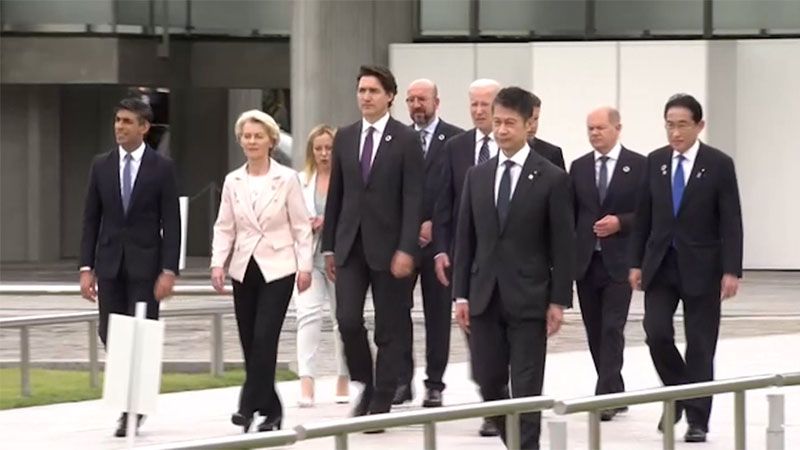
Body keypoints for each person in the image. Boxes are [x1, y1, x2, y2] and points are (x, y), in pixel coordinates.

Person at [452, 87, 574, 450]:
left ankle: (527, 446)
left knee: (526, 384)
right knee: (488, 380)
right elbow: (465, 240)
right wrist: (460, 294)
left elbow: (562, 245)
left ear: (528, 124)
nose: (501, 130)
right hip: (484, 296)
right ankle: (516, 441)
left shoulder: (552, 177)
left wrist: (558, 301)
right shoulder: (478, 176)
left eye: (510, 123)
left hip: (530, 297)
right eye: (497, 122)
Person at [629, 94, 743, 443]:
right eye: (669, 125)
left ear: (699, 126)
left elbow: (731, 220)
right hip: (661, 265)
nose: (675, 133)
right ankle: (679, 392)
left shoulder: (718, 164)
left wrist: (731, 269)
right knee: (656, 331)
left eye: (682, 125)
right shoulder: (655, 162)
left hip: (703, 267)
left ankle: (697, 419)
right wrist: (635, 263)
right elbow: (643, 217)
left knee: (700, 345)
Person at [322, 65, 424, 421]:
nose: (365, 97)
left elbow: (414, 198)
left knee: (389, 326)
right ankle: (366, 381)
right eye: (362, 90)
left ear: (390, 97)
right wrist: (330, 246)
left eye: (373, 91)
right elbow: (337, 194)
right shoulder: (346, 137)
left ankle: (382, 396)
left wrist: (407, 248)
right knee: (347, 319)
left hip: (391, 248)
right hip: (351, 245)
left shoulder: (407, 139)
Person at [79, 97, 180, 438]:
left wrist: (169, 270)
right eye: (117, 120)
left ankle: (132, 410)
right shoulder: (101, 165)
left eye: (126, 121)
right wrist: (85, 267)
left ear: (143, 127)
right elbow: (91, 219)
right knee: (110, 332)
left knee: (141, 336)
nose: (119, 127)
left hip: (146, 268)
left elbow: (173, 222)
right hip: (109, 265)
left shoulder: (161, 168)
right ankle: (129, 397)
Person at [210, 109, 313, 433]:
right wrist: (217, 262)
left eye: (258, 136)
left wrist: (305, 266)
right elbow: (224, 227)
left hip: (278, 268)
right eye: (247, 136)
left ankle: (246, 406)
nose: (252, 141)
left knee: (265, 338)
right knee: (249, 342)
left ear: (271, 140)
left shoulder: (287, 178)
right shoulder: (232, 180)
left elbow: (301, 227)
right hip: (244, 269)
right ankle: (272, 410)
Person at [432, 78, 502, 437]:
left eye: (485, 104)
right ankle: (492, 400)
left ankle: (503, 399)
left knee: (501, 335)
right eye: (473, 104)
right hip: (467, 259)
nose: (478, 111)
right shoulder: (456, 147)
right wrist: (442, 249)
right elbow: (444, 204)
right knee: (476, 334)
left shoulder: (515, 146)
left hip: (507, 260)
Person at [570, 107, 645, 421]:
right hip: (587, 262)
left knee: (612, 328)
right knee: (594, 331)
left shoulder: (639, 166)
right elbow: (571, 213)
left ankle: (605, 397)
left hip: (620, 262)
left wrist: (621, 223)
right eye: (590, 128)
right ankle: (615, 388)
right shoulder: (579, 167)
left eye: (600, 128)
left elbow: (648, 213)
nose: (594, 133)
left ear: (617, 128)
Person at [393, 78, 463, 407]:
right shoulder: (400, 139)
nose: (416, 105)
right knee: (398, 312)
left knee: (437, 316)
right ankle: (402, 381)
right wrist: (410, 227)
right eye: (411, 100)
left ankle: (434, 383)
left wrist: (437, 223)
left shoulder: (457, 139)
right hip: (405, 242)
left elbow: (459, 188)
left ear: (437, 101)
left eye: (422, 99)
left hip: (440, 242)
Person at [294, 124, 349, 407]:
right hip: (308, 258)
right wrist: (308, 224)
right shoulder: (301, 180)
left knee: (344, 320)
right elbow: (290, 218)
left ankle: (343, 377)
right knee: (308, 317)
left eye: (329, 148)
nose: (324, 154)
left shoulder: (347, 179)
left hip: (340, 259)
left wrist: (330, 223)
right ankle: (307, 381)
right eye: (319, 149)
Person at [526, 94, 565, 170]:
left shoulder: (551, 154)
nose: (533, 126)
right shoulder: (499, 151)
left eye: (535, 119)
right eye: (528, 119)